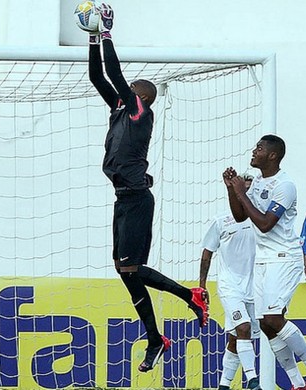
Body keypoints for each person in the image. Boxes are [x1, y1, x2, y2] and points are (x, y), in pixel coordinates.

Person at [86, 3, 209, 373]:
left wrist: (107, 34)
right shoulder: (120, 109)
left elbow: (116, 74)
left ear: (143, 95)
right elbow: (98, 77)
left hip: (138, 200)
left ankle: (191, 298)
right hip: (123, 199)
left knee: (131, 267)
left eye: (135, 86)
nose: (129, 86)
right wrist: (93, 39)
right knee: (124, 270)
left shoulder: (141, 111)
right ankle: (156, 338)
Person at [223, 134, 306, 390]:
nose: (254, 151)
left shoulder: (285, 186)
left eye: (259, 148)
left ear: (272, 155)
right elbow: (241, 217)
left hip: (284, 258)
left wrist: (242, 193)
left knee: (273, 318)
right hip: (263, 260)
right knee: (266, 325)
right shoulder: (259, 180)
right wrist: (232, 190)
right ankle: (297, 382)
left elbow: (264, 224)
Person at [200, 174, 261, 390]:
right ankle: (253, 380)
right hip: (229, 286)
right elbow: (207, 253)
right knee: (243, 328)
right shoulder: (222, 220)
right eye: (242, 188)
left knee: (237, 338)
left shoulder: (261, 220)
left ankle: (224, 385)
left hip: (255, 287)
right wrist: (202, 285)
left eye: (249, 188)